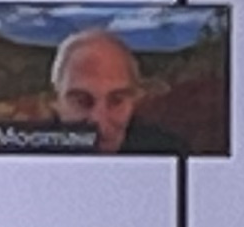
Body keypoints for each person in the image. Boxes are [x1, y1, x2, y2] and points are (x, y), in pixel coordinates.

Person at [48, 25, 191, 155]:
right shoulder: (36, 151)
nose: (99, 120)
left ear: (135, 101)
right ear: (55, 101)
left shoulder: (167, 154)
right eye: (82, 101)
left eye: (116, 101)